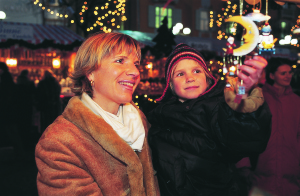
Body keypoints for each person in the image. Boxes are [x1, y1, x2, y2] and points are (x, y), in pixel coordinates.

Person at [35, 33, 160, 196]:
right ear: (90, 72)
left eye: (136, 64)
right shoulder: (60, 141)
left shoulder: (142, 122)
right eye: (120, 61)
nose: (134, 71)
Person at [147, 44, 272, 196]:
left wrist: (244, 96)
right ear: (171, 86)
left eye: (196, 71)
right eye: (180, 74)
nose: (190, 78)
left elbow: (246, 137)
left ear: (207, 79)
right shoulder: (159, 119)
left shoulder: (219, 109)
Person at [241, 58, 300, 196]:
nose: (288, 76)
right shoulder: (258, 97)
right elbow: (243, 130)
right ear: (272, 76)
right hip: (260, 174)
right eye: (283, 73)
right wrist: (243, 166)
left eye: (290, 72)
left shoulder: (296, 102)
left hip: (290, 177)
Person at [16, 69, 36, 150]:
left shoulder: (17, 83)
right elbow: (34, 94)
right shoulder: (30, 83)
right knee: (27, 123)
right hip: (28, 105)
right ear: (27, 75)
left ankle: (21, 143)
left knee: (20, 124)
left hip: (19, 106)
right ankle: (27, 142)